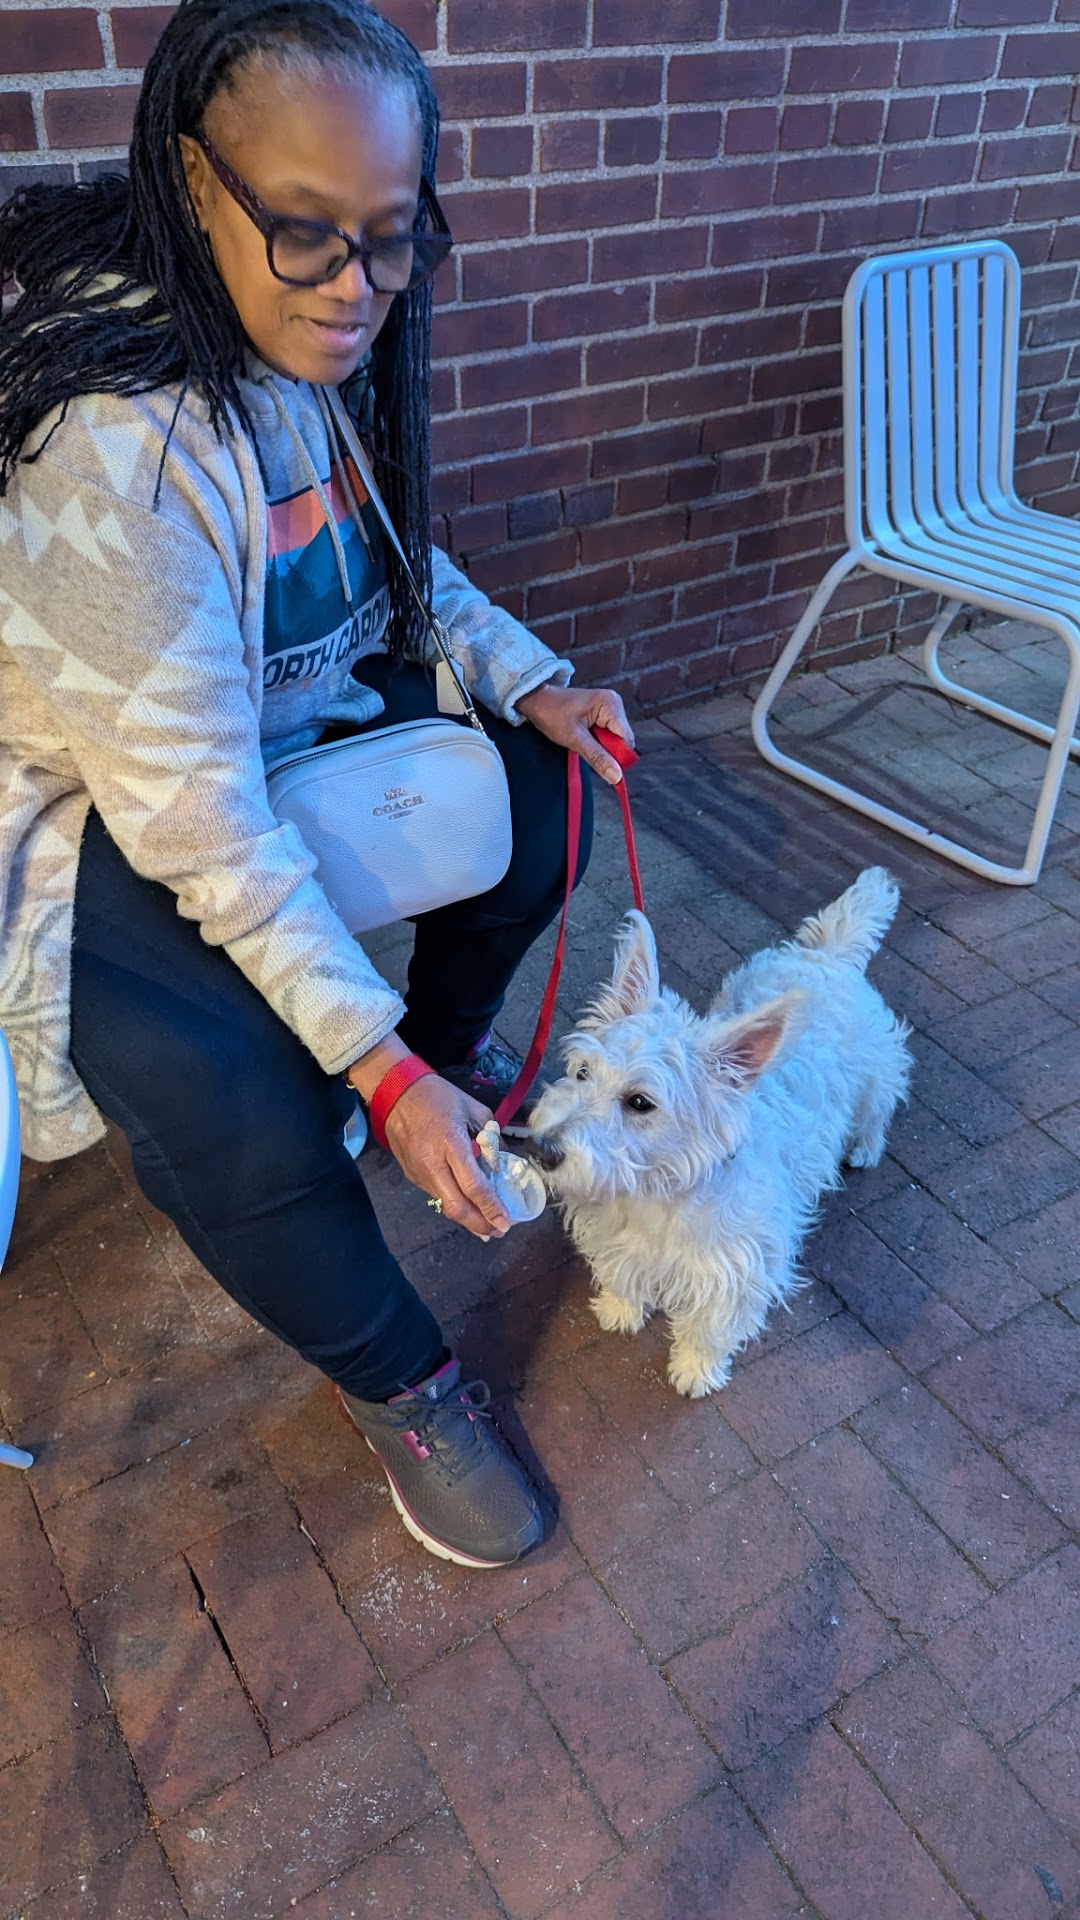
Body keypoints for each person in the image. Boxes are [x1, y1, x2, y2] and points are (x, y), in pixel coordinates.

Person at [0, 0, 634, 1569]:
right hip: (98, 813)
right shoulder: (119, 454)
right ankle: (403, 1380)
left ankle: (434, 1047)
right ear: (192, 183)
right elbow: (202, 828)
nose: (355, 286)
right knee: (242, 1101)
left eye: (390, 236)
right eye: (305, 231)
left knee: (541, 806)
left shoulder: (290, 338)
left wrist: (531, 680)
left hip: (271, 738)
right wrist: (370, 1071)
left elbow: (394, 566)